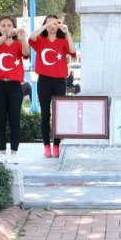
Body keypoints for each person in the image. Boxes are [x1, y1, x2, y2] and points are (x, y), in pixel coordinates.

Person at [28, 14, 76, 158]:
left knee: (59, 115)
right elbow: (31, 37)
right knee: (45, 115)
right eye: (49, 23)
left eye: (55, 23)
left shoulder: (62, 42)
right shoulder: (41, 41)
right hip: (44, 81)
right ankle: (46, 146)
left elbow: (73, 51)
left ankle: (56, 145)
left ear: (59, 26)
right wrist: (46, 25)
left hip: (60, 82)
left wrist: (67, 32)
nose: (52, 25)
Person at [0, 15, 30, 165]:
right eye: (3, 25)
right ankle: (2, 152)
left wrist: (22, 38)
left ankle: (14, 153)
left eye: (9, 25)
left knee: (14, 119)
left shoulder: (18, 44)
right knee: (0, 119)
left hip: (14, 86)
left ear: (13, 26)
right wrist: (6, 35)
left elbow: (26, 53)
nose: (6, 27)